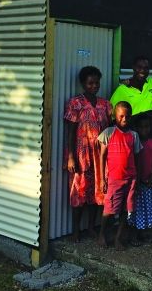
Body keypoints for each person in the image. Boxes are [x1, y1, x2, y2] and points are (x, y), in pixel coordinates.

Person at [64, 66, 112, 242]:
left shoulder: (105, 104)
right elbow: (70, 131)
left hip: (100, 156)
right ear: (83, 84)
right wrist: (70, 156)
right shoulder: (75, 103)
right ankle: (76, 230)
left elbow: (110, 130)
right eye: (90, 83)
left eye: (97, 83)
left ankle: (91, 227)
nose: (94, 86)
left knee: (97, 192)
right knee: (79, 192)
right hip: (81, 154)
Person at [97, 101, 141, 250]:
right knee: (109, 209)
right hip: (114, 179)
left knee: (126, 209)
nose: (124, 119)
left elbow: (136, 158)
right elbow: (102, 156)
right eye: (121, 116)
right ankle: (102, 234)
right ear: (115, 116)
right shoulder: (109, 133)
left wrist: (138, 179)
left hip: (131, 179)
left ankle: (118, 238)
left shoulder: (134, 136)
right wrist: (102, 179)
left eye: (127, 116)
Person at [110, 56, 152, 141]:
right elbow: (112, 117)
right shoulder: (122, 90)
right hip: (132, 140)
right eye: (139, 67)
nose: (142, 70)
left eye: (146, 68)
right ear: (133, 68)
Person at [128, 113, 152, 244]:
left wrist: (151, 177)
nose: (144, 130)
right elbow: (133, 163)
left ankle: (142, 233)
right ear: (136, 128)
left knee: (146, 209)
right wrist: (138, 179)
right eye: (141, 127)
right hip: (137, 183)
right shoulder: (134, 143)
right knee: (136, 210)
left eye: (147, 127)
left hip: (148, 183)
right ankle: (133, 235)